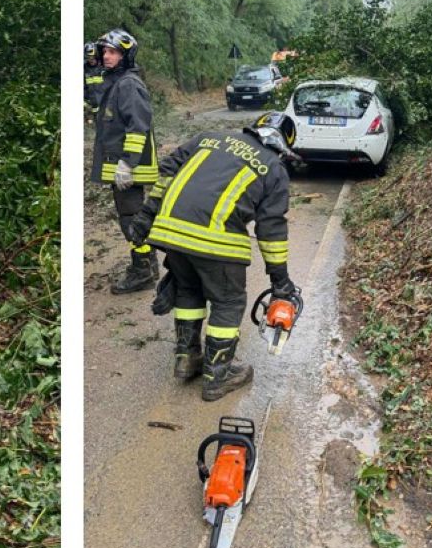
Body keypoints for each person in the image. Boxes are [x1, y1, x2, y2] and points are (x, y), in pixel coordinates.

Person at [125, 111, 299, 401]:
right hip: (217, 242)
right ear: (284, 146)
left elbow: (167, 171)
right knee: (228, 301)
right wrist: (280, 279)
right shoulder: (274, 168)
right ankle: (218, 375)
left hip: (171, 232)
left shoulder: (208, 139)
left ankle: (187, 357)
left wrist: (146, 215)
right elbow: (271, 229)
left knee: (189, 290)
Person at [90, 29, 159, 294]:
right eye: (105, 51)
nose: (106, 56)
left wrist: (127, 164)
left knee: (131, 220)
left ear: (125, 55)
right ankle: (149, 264)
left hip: (130, 167)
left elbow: (137, 126)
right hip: (124, 165)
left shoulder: (128, 84)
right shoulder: (118, 82)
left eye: (113, 52)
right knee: (133, 217)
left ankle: (142, 272)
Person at [84, 42, 106, 119]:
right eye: (88, 57)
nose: (90, 59)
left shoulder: (104, 67)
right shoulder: (84, 68)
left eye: (92, 57)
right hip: (92, 106)